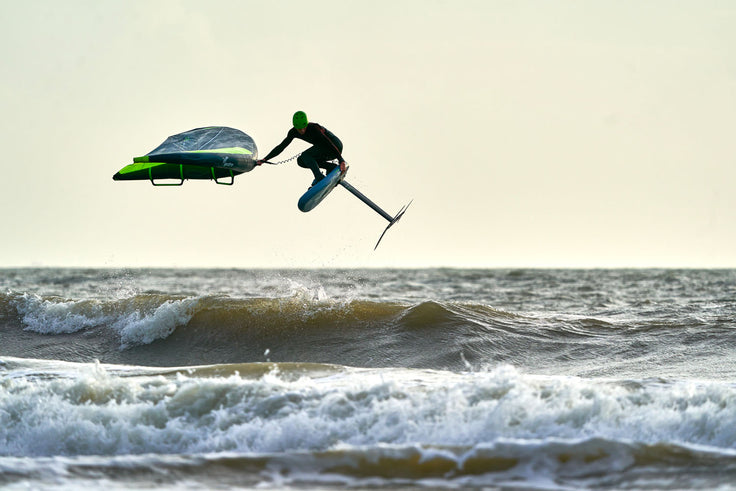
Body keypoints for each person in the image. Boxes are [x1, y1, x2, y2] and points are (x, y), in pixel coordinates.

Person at [257, 111, 347, 185]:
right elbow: (281, 147)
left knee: (306, 155)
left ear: (306, 124)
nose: (302, 131)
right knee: (301, 161)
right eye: (299, 129)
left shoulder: (314, 128)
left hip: (334, 146)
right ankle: (331, 167)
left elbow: (328, 142)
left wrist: (341, 160)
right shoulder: (293, 132)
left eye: (303, 128)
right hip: (324, 150)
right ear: (295, 127)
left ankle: (319, 178)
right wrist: (265, 159)